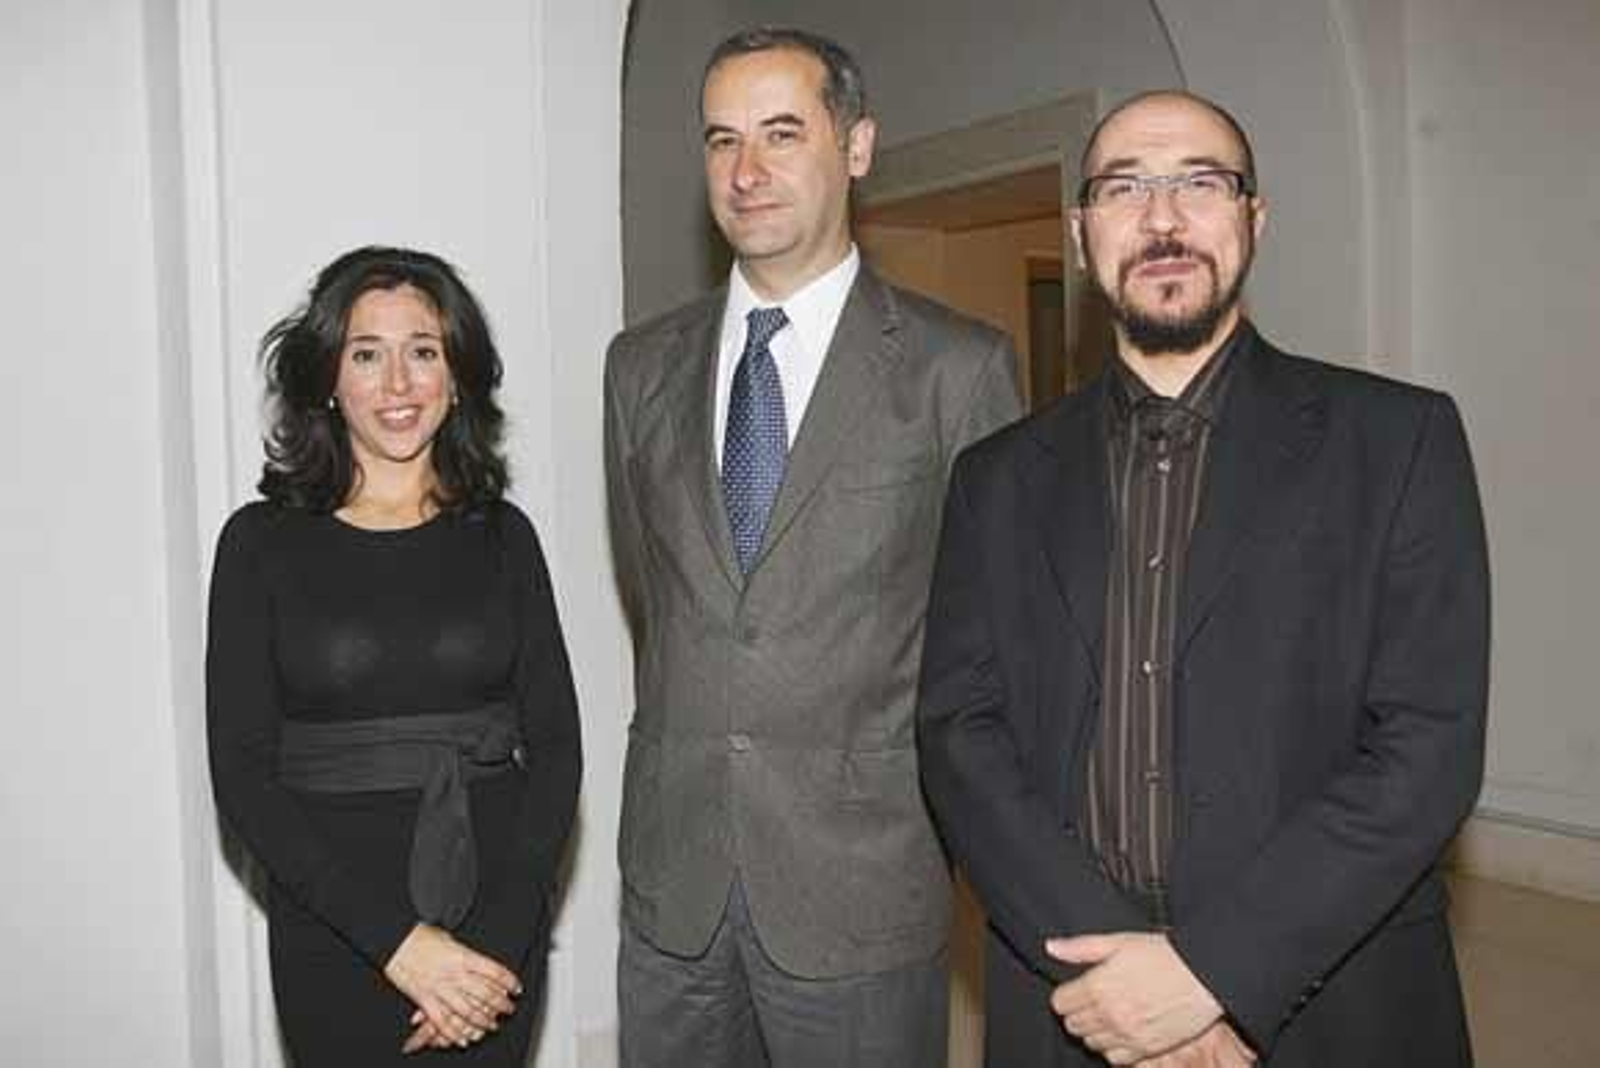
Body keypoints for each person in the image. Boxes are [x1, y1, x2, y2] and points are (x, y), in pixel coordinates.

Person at [916, 90, 1489, 1067]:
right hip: (1071, 1001)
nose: (1163, 218)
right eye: (1124, 187)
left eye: (1201, 183)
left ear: (1253, 220)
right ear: (1081, 227)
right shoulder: (995, 477)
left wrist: (1212, 973)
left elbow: (1425, 747)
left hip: (1330, 998)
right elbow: (958, 736)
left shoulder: (1398, 440)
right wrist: (1119, 979)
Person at [603, 26, 1022, 1068]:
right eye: (720, 140)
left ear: (858, 145)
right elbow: (660, 601)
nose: (745, 172)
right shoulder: (636, 369)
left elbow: (996, 640)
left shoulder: (956, 371)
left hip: (862, 885)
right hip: (674, 880)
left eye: (782, 133)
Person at [207, 246, 581, 1064]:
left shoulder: (504, 537)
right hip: (335, 940)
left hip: (494, 944)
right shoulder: (258, 544)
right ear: (329, 379)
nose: (399, 384)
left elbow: (556, 750)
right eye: (367, 355)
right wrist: (404, 948)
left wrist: (499, 943)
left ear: (457, 376)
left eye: (424, 351)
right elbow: (240, 774)